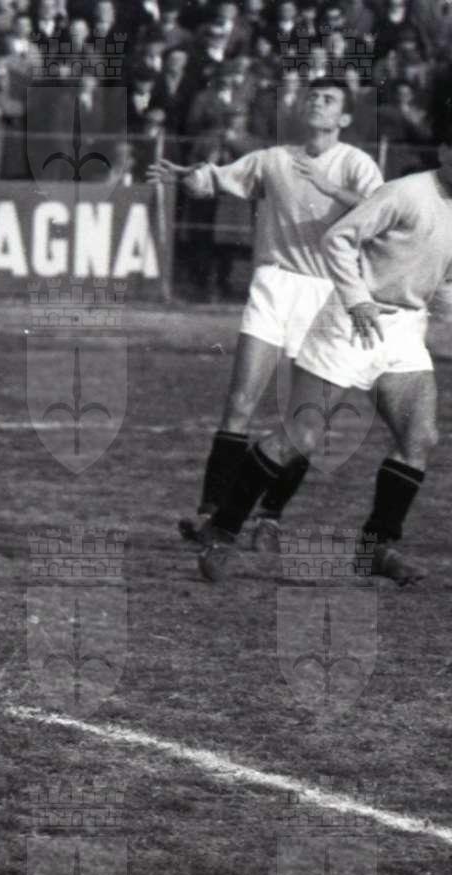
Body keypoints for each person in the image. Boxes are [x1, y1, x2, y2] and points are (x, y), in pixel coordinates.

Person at [195, 101, 452, 588]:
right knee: (301, 437)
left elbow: (443, 280)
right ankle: (222, 529)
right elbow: (339, 238)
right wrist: (357, 300)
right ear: (443, 152)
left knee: (420, 439)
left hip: (402, 332)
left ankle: (377, 547)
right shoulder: (405, 193)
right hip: (350, 323)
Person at [147, 76, 381, 551]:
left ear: (344, 117)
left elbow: (381, 213)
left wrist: (333, 189)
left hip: (326, 294)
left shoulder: (356, 164)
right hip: (274, 285)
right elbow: (216, 179)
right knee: (239, 402)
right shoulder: (274, 159)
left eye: (329, 99)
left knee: (301, 419)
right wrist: (189, 176)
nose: (317, 103)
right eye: (313, 96)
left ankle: (270, 516)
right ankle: (210, 513)